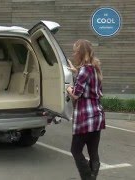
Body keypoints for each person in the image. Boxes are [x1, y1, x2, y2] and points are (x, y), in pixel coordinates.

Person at [66, 39, 106, 180]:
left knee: (75, 150)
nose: (74, 53)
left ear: (81, 53)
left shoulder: (84, 70)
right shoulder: (95, 68)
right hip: (97, 115)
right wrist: (76, 71)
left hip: (85, 117)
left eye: (75, 51)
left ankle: (88, 178)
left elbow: (76, 94)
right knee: (93, 151)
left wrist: (68, 88)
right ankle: (92, 177)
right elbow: (89, 83)